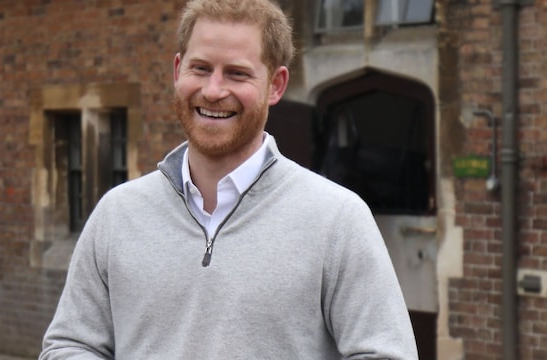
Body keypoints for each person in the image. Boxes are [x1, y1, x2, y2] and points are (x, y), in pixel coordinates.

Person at [39, 0, 418, 358]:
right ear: (177, 71)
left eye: (237, 73)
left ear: (276, 85)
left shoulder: (337, 219)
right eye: (200, 68)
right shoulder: (118, 213)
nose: (213, 90)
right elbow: (69, 345)